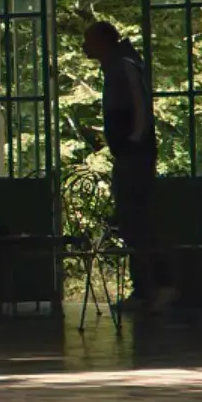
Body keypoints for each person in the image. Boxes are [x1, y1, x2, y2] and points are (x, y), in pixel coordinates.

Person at [82, 20, 164, 313]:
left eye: (88, 40)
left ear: (104, 41)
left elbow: (141, 107)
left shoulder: (124, 67)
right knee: (131, 221)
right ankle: (144, 288)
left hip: (134, 155)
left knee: (137, 220)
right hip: (129, 154)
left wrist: (133, 141)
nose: (83, 47)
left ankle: (149, 289)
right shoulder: (117, 68)